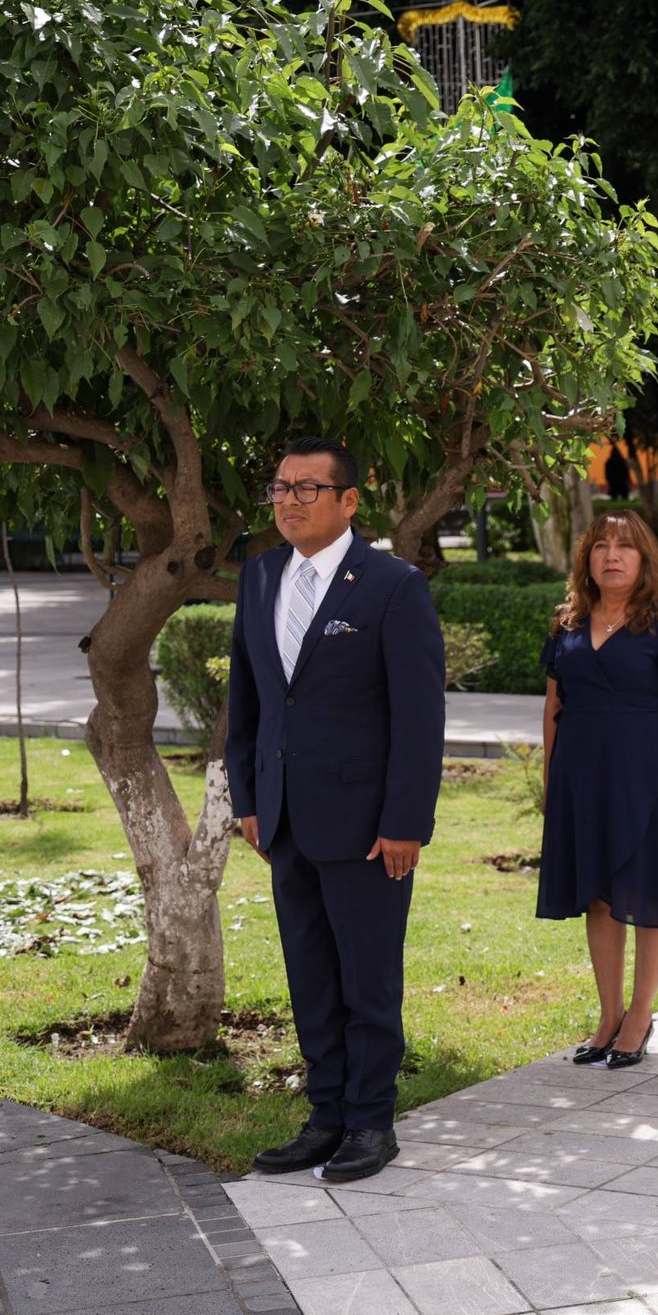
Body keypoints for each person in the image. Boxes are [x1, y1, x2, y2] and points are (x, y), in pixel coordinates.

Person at [226, 436, 445, 1183]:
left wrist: (406, 821)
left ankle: (370, 1123)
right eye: (280, 488)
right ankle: (324, 1117)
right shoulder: (258, 579)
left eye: (307, 488)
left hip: (368, 827)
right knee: (310, 977)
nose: (288, 500)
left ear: (349, 501)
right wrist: (249, 801)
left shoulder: (392, 585)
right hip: (284, 820)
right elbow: (247, 703)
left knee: (368, 978)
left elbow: (420, 719)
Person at [538, 510, 658, 1070]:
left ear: (644, 560)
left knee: (651, 887)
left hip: (648, 772)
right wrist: (551, 781)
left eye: (625, 547)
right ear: (586, 557)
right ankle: (608, 1015)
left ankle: (640, 1016)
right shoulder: (566, 622)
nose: (612, 555)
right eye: (601, 546)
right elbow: (554, 705)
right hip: (580, 775)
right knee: (598, 894)